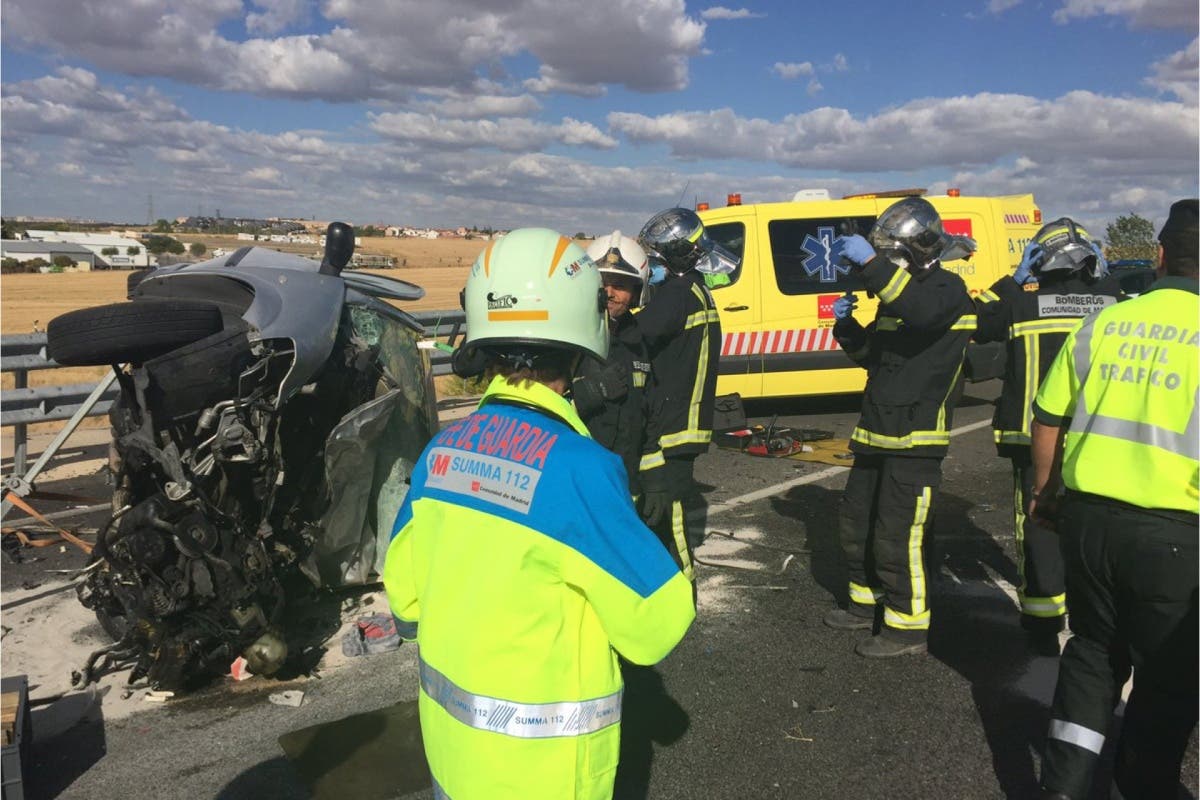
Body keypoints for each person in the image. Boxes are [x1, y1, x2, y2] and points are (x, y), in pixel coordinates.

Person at [382, 228, 695, 800]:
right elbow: (659, 623)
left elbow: (403, 595)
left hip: (453, 760)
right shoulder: (581, 470)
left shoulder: (440, 454)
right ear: (584, 334)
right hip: (545, 774)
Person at [1030, 199, 1198, 800]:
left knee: (1093, 654)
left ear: (1157, 256)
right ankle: (1144, 781)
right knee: (1171, 672)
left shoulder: (1106, 321)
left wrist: (1045, 495)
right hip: (1178, 537)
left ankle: (1066, 786)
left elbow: (1048, 417)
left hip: (1089, 521)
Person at [824, 196, 976, 658]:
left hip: (915, 439)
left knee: (897, 535)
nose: (887, 262)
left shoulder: (945, 291)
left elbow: (923, 313)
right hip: (876, 432)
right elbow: (876, 358)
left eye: (893, 253)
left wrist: (871, 265)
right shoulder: (900, 298)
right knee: (857, 523)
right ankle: (863, 603)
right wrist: (848, 326)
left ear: (916, 248)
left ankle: (906, 627)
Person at [973, 217, 1123, 649]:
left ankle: (1043, 618)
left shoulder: (1021, 301)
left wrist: (1010, 281)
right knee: (1095, 522)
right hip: (1098, 434)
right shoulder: (1111, 300)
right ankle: (1095, 609)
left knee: (1039, 522)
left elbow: (973, 321)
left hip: (1031, 434)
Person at [634, 207, 730, 581]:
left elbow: (637, 337)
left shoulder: (675, 294)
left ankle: (679, 586)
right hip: (686, 421)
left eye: (654, 258)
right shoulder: (693, 289)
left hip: (675, 424)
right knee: (664, 508)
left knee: (668, 511)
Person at [572, 231, 653, 493]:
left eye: (620, 284)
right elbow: (541, 410)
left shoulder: (644, 342)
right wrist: (591, 392)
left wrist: (656, 478)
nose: (609, 293)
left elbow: (654, 413)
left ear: (637, 291)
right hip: (578, 476)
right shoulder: (568, 339)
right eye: (603, 282)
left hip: (627, 480)